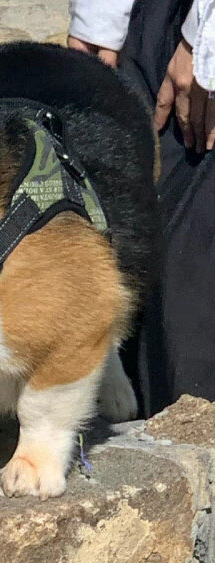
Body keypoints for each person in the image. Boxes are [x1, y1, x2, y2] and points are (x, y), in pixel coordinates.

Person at [68, 0, 215, 415]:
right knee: (133, 272)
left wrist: (207, 43)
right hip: (148, 29)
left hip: (197, 40)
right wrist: (98, 15)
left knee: (190, 321)